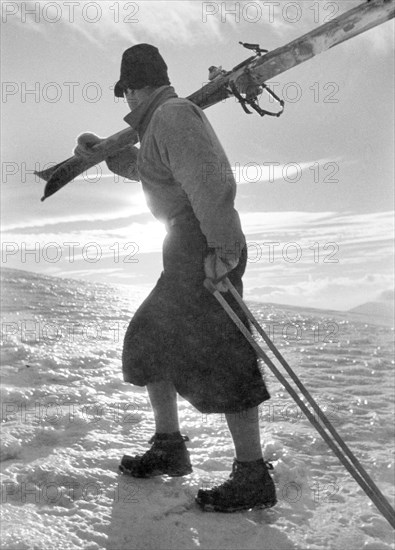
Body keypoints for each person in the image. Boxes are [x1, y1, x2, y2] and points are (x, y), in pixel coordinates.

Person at [75, 44, 276, 513]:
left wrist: (222, 250)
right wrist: (104, 155)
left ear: (132, 89)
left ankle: (252, 475)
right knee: (149, 342)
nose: (125, 100)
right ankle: (170, 446)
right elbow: (154, 172)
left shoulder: (173, 116)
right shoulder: (160, 123)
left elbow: (211, 182)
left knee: (226, 355)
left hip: (202, 242)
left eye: (125, 91)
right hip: (186, 243)